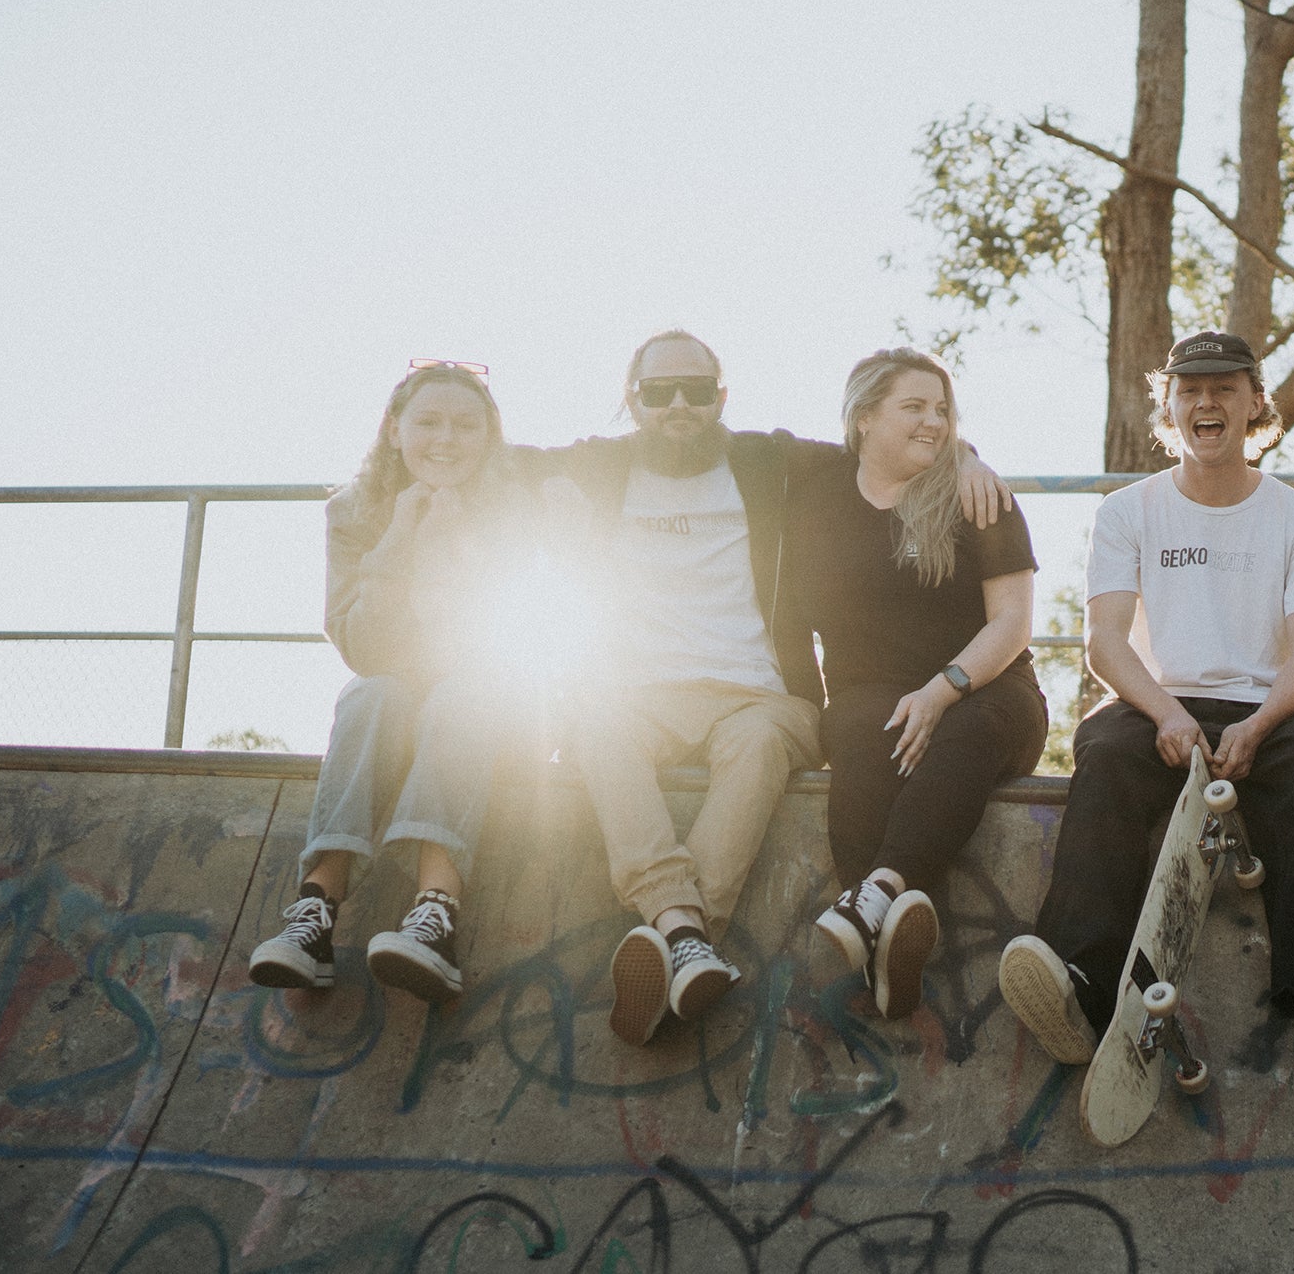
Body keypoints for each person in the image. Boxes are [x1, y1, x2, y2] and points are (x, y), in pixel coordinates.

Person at [521, 331, 1008, 1047]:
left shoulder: (764, 459)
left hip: (759, 694)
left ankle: (673, 932)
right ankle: (685, 936)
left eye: (696, 389)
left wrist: (967, 454)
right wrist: (545, 486)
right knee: (592, 726)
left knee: (754, 748)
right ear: (633, 401)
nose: (679, 404)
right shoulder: (597, 465)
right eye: (659, 392)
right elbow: (488, 463)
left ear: (722, 395)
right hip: (633, 695)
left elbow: (880, 445)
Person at [998, 332, 1294, 1069]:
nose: (1207, 402)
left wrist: (1260, 723)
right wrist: (1163, 712)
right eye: (1190, 389)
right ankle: (1081, 984)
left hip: (1267, 708)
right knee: (1105, 750)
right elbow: (1105, 643)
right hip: (1155, 704)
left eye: (1225, 387)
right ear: (1169, 407)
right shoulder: (1128, 511)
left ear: (1257, 403)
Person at [249, 360, 537, 1004]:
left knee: (461, 693)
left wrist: (458, 544)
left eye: (466, 425)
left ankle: (436, 914)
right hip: (401, 704)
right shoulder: (353, 512)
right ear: (394, 429)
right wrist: (402, 534)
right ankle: (316, 912)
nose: (446, 439)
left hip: (495, 714)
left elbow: (500, 647)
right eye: (428, 421)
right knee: (371, 693)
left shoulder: (515, 511)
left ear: (488, 437)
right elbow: (364, 648)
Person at [793, 349, 1046, 1020]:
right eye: (915, 407)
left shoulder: (978, 495)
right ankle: (886, 942)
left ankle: (877, 894)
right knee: (859, 732)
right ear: (865, 417)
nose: (934, 422)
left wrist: (942, 689)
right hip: (868, 691)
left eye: (943, 410)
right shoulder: (818, 491)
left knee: (964, 728)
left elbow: (1013, 624)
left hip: (989, 688)